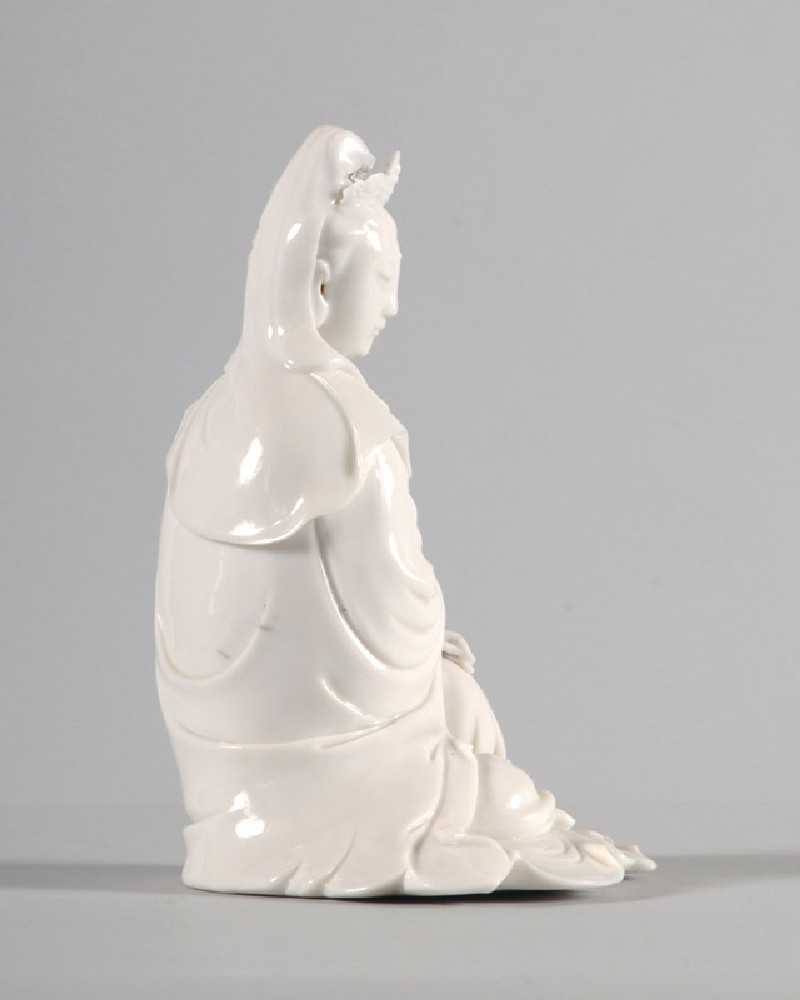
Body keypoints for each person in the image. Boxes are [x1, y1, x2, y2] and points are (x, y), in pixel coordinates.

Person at [155, 126, 654, 895]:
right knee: (503, 784)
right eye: (383, 278)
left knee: (457, 704)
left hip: (224, 783)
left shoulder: (206, 419)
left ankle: (262, 830)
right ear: (322, 284)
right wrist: (430, 646)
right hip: (342, 767)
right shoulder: (349, 428)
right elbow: (400, 615)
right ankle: (402, 821)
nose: (393, 304)